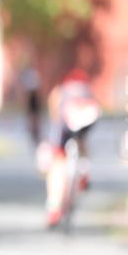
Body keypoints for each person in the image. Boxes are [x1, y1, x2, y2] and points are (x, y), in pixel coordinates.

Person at [44, 67, 100, 228]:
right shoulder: (86, 90)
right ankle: (84, 171)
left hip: (65, 120)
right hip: (88, 116)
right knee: (82, 141)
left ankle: (54, 207)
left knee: (58, 160)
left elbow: (54, 108)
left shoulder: (61, 91)